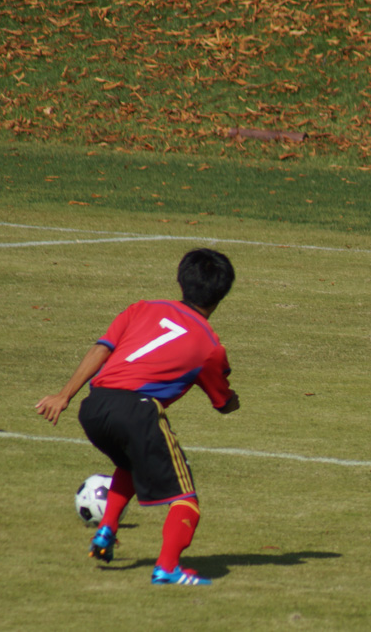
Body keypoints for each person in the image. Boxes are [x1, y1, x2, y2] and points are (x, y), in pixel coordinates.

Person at [36, 248, 239, 585]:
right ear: (221, 295)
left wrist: (64, 395)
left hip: (94, 407)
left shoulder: (143, 308)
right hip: (137, 411)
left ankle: (105, 531)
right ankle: (168, 568)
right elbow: (222, 401)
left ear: (181, 280)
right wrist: (232, 402)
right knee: (185, 499)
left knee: (131, 463)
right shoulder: (209, 346)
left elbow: (102, 349)